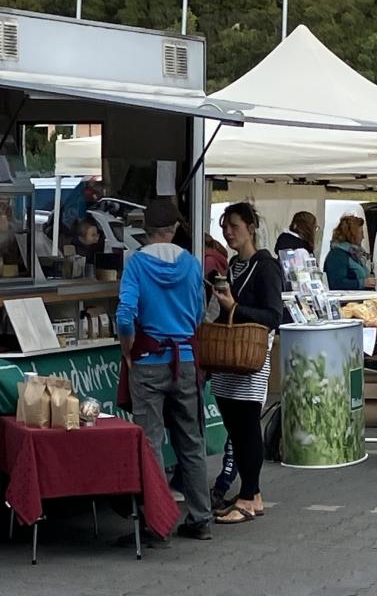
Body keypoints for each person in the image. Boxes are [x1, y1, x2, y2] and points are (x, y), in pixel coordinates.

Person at [115, 198, 212, 541]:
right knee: (191, 440)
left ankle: (158, 523)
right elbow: (201, 314)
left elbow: (125, 315)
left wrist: (128, 351)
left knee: (151, 443)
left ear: (146, 230)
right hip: (184, 361)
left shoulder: (136, 264)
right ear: (173, 230)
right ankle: (200, 517)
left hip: (149, 362)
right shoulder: (191, 265)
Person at [210, 202, 284, 525]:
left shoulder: (265, 266)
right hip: (230, 357)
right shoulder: (232, 266)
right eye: (225, 226)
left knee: (247, 424)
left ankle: (248, 494)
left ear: (251, 228)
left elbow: (273, 316)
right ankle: (252, 495)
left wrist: (235, 308)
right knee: (235, 426)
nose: (228, 232)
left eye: (235, 226)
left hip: (251, 356)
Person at [323, 214, 374, 290]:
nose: (363, 237)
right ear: (352, 235)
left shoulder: (354, 254)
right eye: (361, 233)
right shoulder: (337, 255)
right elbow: (336, 283)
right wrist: (363, 283)